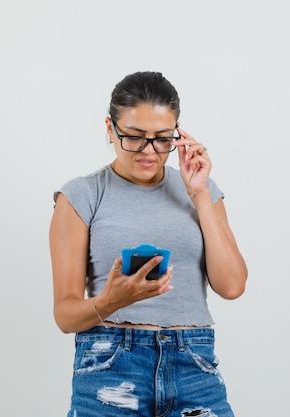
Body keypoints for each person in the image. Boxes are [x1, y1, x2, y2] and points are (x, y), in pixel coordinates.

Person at [49, 71, 248, 417]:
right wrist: (111, 301)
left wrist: (199, 193)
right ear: (110, 129)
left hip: (193, 363)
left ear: (178, 133)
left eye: (162, 138)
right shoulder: (82, 195)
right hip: (111, 367)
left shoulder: (200, 189)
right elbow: (65, 316)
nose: (149, 151)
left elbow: (231, 286)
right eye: (135, 137)